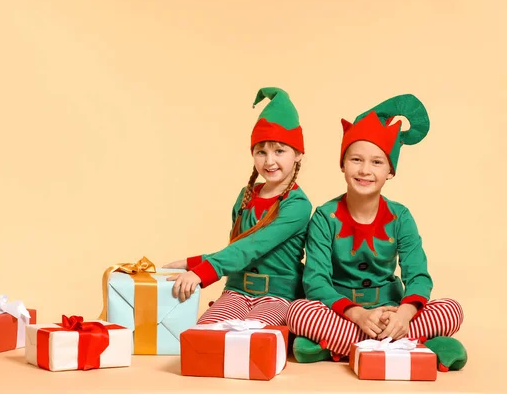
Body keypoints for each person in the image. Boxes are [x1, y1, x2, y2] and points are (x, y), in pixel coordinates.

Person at [287, 94, 467, 371]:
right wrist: (358, 314)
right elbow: (315, 280)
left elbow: (417, 275)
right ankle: (412, 347)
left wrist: (405, 314)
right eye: (356, 159)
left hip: (391, 309)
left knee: (451, 309)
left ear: (390, 172)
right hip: (344, 312)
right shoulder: (325, 216)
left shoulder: (401, 216)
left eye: (377, 162)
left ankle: (339, 346)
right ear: (343, 164)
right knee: (299, 312)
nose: (365, 170)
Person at [163, 87, 312, 326]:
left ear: (297, 154)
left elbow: (254, 246)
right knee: (206, 336)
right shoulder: (246, 196)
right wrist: (192, 262)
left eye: (279, 151)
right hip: (236, 291)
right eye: (261, 152)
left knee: (250, 339)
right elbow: (238, 248)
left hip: (277, 297)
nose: (269, 161)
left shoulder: (298, 205)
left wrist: (203, 271)